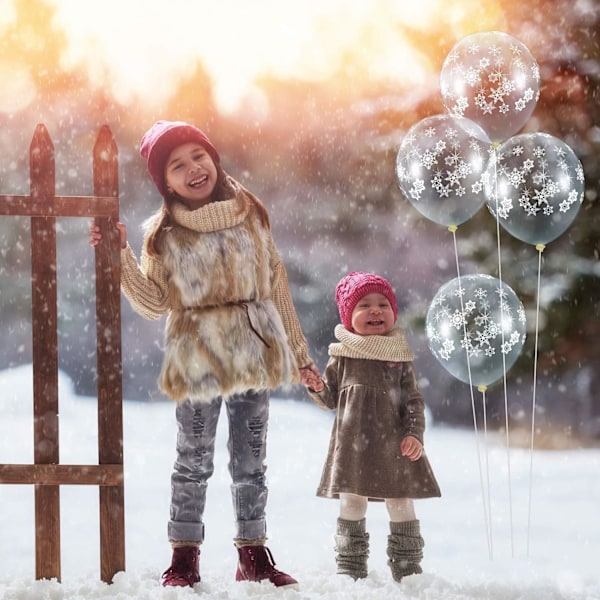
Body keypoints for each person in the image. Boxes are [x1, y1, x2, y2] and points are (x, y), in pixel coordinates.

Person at [89, 120, 321, 589]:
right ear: (165, 182)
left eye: (199, 156)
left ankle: (253, 554)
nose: (194, 169)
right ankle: (184, 557)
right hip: (197, 358)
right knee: (192, 460)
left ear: (214, 159)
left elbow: (276, 284)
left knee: (251, 459)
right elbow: (155, 303)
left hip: (255, 351)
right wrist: (121, 257)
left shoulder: (251, 213)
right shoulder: (165, 233)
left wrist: (300, 354)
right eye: (178, 165)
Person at [306, 271, 441, 582]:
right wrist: (316, 386)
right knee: (352, 501)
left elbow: (413, 402)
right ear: (348, 317)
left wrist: (413, 434)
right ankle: (350, 566)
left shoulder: (399, 357)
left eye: (383, 304)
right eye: (364, 305)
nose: (376, 310)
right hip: (353, 446)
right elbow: (329, 398)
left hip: (393, 445)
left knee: (399, 500)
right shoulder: (341, 356)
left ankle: (407, 567)